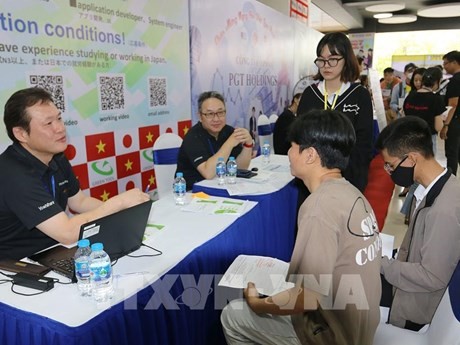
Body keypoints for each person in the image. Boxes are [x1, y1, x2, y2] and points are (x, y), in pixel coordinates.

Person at [221, 109, 382, 345]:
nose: (288, 153)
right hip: (360, 325)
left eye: (293, 146)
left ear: (310, 155)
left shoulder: (318, 207)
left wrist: (258, 304)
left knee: (233, 315)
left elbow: (308, 297)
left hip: (333, 334)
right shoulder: (351, 192)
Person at [0, 87, 150, 261]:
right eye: (48, 123)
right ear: (21, 133)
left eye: (59, 118)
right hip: (17, 267)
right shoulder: (13, 174)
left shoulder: (56, 156)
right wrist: (119, 202)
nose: (60, 128)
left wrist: (121, 216)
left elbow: (79, 202)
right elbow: (67, 232)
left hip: (54, 252)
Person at [376, 116, 460, 330]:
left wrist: (382, 264)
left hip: (415, 307)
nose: (389, 171)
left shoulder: (444, 209)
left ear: (412, 158)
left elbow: (431, 276)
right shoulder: (429, 189)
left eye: (390, 165)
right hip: (407, 282)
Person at [297, 32, 374, 193]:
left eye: (333, 59)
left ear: (346, 60)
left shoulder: (360, 95)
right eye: (321, 60)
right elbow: (300, 138)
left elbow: (364, 142)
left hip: (349, 178)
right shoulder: (310, 94)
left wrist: (340, 173)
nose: (326, 65)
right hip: (312, 179)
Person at [176, 91, 252, 189]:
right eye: (210, 114)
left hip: (220, 186)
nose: (216, 119)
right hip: (192, 192)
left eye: (220, 113)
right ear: (200, 117)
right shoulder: (192, 137)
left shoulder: (228, 131)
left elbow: (240, 167)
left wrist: (248, 145)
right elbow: (208, 173)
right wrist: (229, 143)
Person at [440, 50, 460, 175]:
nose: (444, 66)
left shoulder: (455, 81)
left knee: (452, 154)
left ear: (454, 62)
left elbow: (453, 104)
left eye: (446, 63)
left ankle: (450, 184)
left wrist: (446, 125)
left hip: (455, 122)